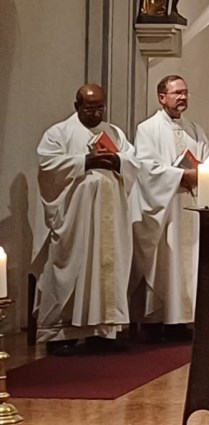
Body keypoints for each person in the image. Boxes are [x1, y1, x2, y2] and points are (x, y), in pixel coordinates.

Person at [33, 84, 141, 356]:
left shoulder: (113, 132)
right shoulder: (58, 133)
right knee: (71, 266)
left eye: (100, 107)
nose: (95, 112)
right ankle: (60, 334)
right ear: (77, 105)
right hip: (76, 217)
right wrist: (85, 161)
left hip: (110, 214)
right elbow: (48, 165)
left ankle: (103, 332)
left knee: (108, 267)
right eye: (89, 107)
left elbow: (133, 161)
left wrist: (116, 160)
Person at [133, 75, 209, 342]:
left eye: (185, 93)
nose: (182, 98)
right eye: (177, 93)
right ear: (162, 97)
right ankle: (158, 320)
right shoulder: (148, 129)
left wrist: (202, 172)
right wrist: (182, 176)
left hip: (190, 205)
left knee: (188, 262)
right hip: (165, 208)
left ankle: (181, 320)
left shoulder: (194, 129)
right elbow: (147, 168)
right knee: (166, 262)